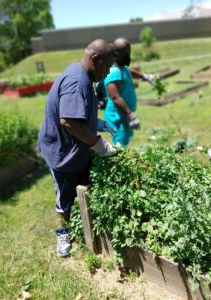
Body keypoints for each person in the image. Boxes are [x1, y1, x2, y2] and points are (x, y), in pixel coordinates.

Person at [38, 39, 116, 257]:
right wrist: (98, 144)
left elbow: (78, 114)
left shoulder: (82, 75)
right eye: (107, 66)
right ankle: (63, 233)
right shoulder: (77, 81)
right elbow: (69, 121)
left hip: (76, 148)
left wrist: (98, 123)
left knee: (86, 182)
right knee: (65, 195)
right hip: (62, 153)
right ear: (95, 59)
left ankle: (88, 224)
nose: (108, 72)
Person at [102, 37, 155, 146]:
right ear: (115, 53)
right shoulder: (113, 72)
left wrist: (145, 76)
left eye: (128, 52)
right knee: (120, 146)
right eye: (125, 53)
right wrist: (130, 115)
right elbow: (115, 97)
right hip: (118, 116)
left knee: (126, 142)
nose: (128, 55)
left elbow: (128, 71)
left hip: (124, 114)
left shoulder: (120, 66)